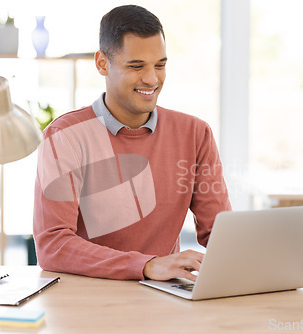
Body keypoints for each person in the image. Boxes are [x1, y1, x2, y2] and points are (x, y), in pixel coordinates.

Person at [33, 4, 231, 281]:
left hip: (163, 298)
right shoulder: (65, 136)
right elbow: (52, 246)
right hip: (87, 301)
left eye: (160, 65)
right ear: (102, 63)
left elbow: (220, 233)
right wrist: (147, 265)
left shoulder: (195, 134)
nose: (151, 79)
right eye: (136, 66)